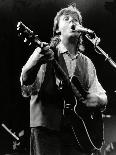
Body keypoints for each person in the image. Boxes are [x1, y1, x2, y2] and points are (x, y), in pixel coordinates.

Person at [20, 4, 107, 155]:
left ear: (81, 32)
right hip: (46, 131)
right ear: (57, 29)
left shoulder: (86, 63)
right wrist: (34, 63)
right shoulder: (44, 52)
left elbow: (102, 96)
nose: (72, 21)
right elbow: (26, 88)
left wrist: (98, 100)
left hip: (77, 135)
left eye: (76, 20)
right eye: (66, 19)